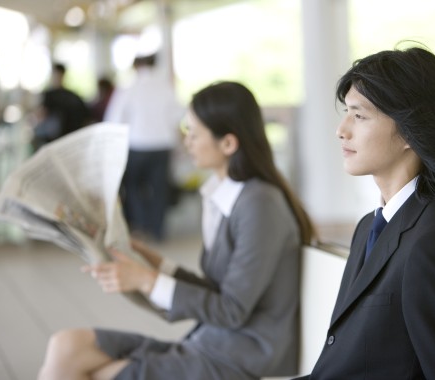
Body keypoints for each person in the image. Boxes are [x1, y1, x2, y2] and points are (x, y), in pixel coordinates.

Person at [38, 81, 316, 380]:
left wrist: (147, 280)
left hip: (238, 358)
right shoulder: (227, 196)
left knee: (104, 374)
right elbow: (219, 290)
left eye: (194, 134)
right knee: (66, 346)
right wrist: (154, 262)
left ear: (228, 144)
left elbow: (231, 309)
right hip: (211, 343)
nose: (187, 142)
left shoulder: (259, 205)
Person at [295, 46, 435, 379]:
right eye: (346, 112)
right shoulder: (369, 227)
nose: (341, 130)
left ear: (409, 130)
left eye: (359, 115)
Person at [104, 54, 184, 241]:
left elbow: (114, 119)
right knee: (159, 188)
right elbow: (178, 116)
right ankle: (158, 229)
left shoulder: (128, 88)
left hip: (136, 145)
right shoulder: (165, 87)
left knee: (133, 187)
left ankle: (140, 226)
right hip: (162, 145)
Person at [32, 63, 90, 150]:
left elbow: (41, 115)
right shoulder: (72, 96)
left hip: (58, 140)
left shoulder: (51, 96)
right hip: (70, 140)